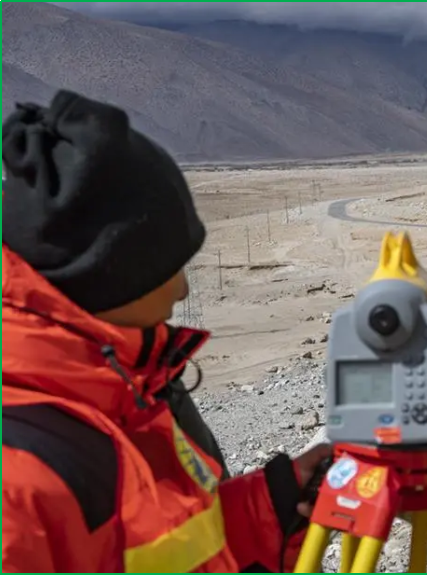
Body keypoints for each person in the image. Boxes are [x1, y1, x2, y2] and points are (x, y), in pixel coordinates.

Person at [2, 90, 332, 573]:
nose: (182, 292)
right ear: (115, 272)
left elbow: (165, 551)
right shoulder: (19, 482)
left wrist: (276, 500)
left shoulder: (128, 390)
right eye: (172, 267)